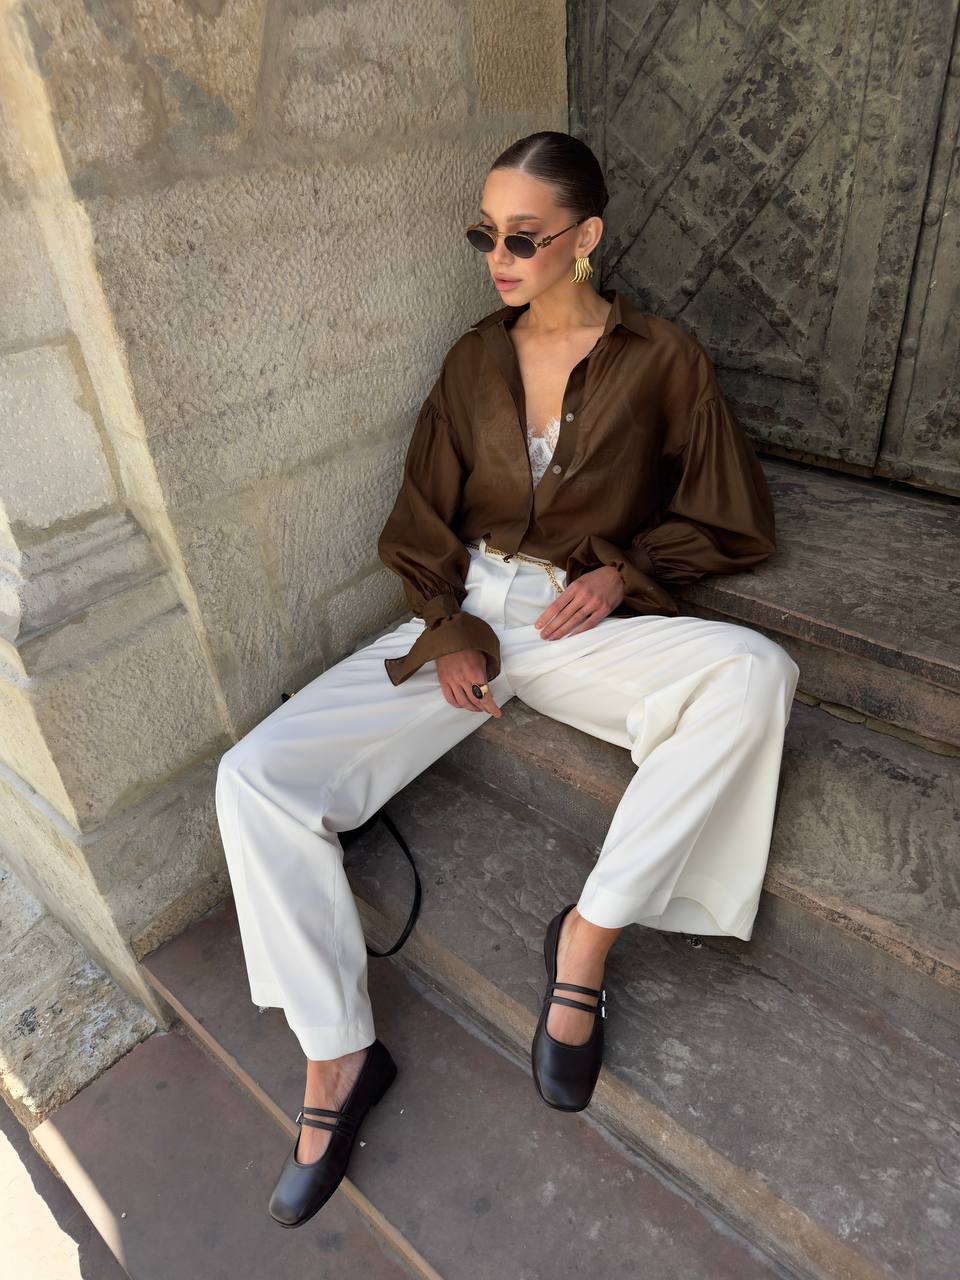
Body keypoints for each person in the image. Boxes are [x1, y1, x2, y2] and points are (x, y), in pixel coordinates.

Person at [215, 130, 800, 1228]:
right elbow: (420, 518)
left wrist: (625, 573)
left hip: (580, 619)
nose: (499, 254)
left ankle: (587, 936)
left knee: (756, 673)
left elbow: (733, 514)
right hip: (468, 613)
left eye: (523, 235)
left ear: (588, 237)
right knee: (255, 776)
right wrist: (446, 626)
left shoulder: (665, 359)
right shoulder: (469, 359)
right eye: (484, 233)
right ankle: (338, 1056)